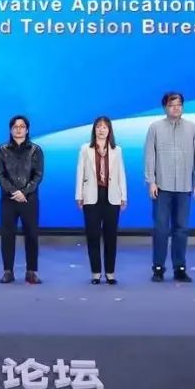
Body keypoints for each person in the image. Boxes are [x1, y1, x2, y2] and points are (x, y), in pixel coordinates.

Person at [143, 92, 195, 283]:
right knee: (161, 229)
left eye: (179, 104)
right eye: (172, 105)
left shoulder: (192, 128)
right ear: (165, 108)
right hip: (162, 186)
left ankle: (180, 268)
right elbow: (149, 155)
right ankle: (158, 268)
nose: (176, 108)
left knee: (181, 228)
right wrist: (151, 181)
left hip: (184, 186)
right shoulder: (155, 128)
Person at [75, 116, 127, 285]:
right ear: (94, 130)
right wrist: (79, 196)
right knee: (93, 235)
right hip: (91, 196)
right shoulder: (85, 149)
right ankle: (96, 273)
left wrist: (124, 196)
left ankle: (110, 273)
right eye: (98, 126)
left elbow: (121, 174)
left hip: (112, 196)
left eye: (105, 127)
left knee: (111, 236)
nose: (101, 130)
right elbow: (80, 173)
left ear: (109, 130)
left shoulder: (117, 150)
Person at [0, 115, 44, 284]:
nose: (18, 129)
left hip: (29, 199)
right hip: (8, 199)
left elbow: (38, 175)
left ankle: (31, 271)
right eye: (15, 127)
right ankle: (8, 271)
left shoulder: (35, 150)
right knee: (7, 234)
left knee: (31, 234)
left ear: (27, 130)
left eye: (22, 126)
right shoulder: (2, 150)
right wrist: (14, 191)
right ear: (10, 130)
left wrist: (25, 192)